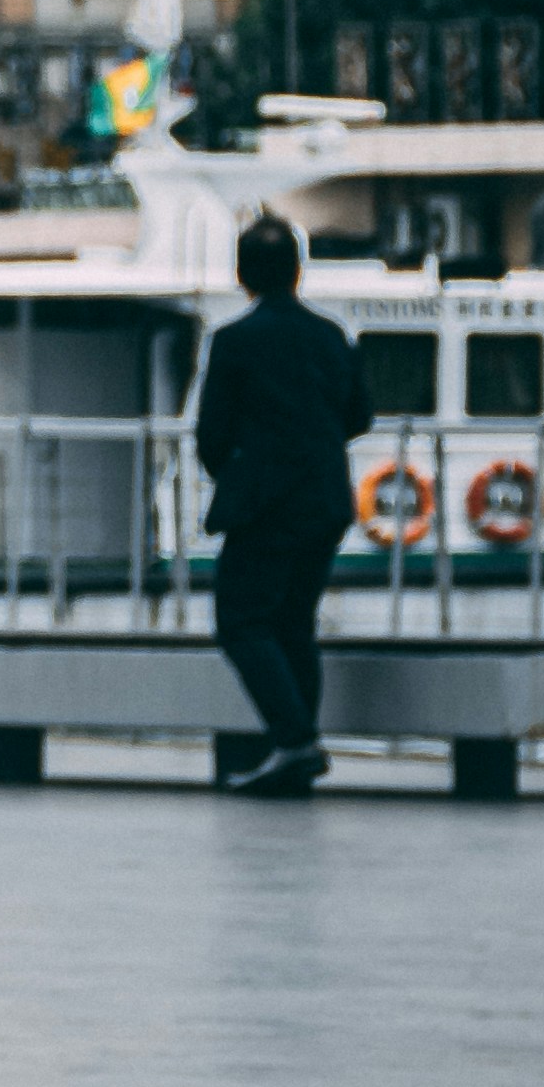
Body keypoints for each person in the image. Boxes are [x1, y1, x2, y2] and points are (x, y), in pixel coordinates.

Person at [196, 214, 368, 796]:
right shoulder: (330, 335)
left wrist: (243, 474)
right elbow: (359, 415)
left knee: (242, 621)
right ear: (298, 271)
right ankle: (295, 747)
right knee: (295, 623)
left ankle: (296, 741)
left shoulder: (233, 341)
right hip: (325, 497)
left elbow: (211, 435)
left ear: (242, 273)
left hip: (264, 503)